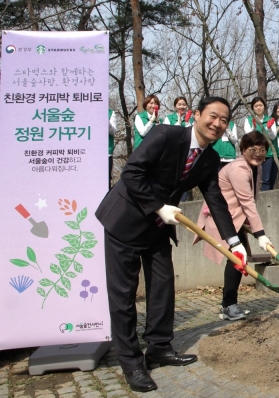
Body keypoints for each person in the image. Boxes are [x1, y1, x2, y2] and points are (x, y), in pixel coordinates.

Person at [95, 96, 248, 393]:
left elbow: (215, 200)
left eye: (224, 120)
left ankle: (159, 347)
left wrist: (234, 242)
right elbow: (132, 173)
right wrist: (158, 206)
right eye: (212, 116)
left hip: (157, 228)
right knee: (124, 296)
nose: (217, 124)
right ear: (197, 115)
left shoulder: (210, 159)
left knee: (163, 287)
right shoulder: (166, 134)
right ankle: (131, 363)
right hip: (125, 221)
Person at [193, 132, 273, 320]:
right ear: (243, 150)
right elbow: (247, 202)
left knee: (238, 259)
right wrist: (260, 233)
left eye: (262, 150)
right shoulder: (238, 169)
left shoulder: (256, 168)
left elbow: (252, 198)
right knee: (236, 259)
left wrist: (251, 225)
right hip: (222, 220)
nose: (258, 154)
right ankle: (229, 305)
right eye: (252, 150)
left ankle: (229, 304)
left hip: (236, 219)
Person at [244, 97, 273, 191]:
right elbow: (248, 136)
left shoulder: (270, 119)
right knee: (253, 178)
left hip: (267, 153)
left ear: (264, 107)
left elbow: (273, 137)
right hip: (254, 154)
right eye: (256, 106)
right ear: (253, 108)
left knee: (266, 179)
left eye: (260, 105)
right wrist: (254, 126)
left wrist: (269, 128)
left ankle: (266, 200)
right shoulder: (248, 120)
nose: (258, 108)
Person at [108, 108, 117, 188]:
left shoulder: (111, 113)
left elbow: (113, 131)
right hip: (89, 153)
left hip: (106, 154)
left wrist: (105, 120)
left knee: (106, 180)